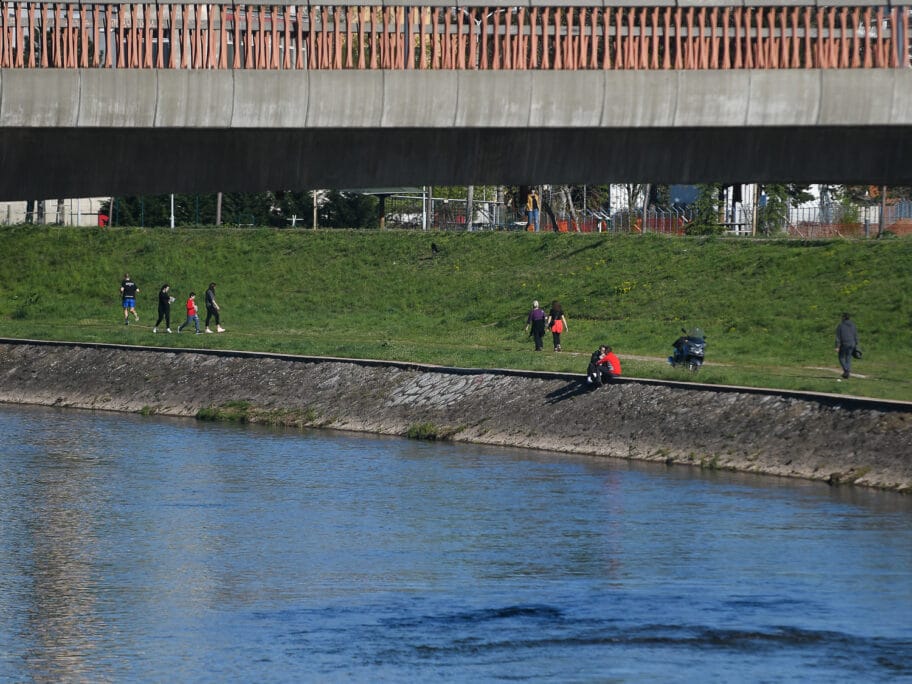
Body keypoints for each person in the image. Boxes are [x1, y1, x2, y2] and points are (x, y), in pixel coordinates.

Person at [835, 312, 859, 379]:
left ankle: (847, 371)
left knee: (841, 357)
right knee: (848, 358)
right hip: (852, 343)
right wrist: (856, 344)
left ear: (843, 318)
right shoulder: (853, 325)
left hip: (844, 343)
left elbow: (838, 337)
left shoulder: (840, 325)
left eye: (842, 317)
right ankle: (846, 373)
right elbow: (855, 335)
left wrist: (837, 346)